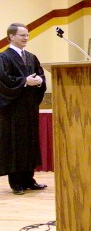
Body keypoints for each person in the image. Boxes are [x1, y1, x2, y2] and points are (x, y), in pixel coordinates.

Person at [0, 23, 47, 195]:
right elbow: (4, 81)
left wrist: (40, 81)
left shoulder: (31, 57)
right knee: (16, 144)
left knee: (30, 143)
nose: (26, 38)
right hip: (13, 110)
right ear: (11, 36)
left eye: (27, 35)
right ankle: (17, 183)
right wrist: (25, 82)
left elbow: (39, 74)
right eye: (22, 35)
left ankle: (29, 179)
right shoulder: (4, 58)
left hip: (29, 108)